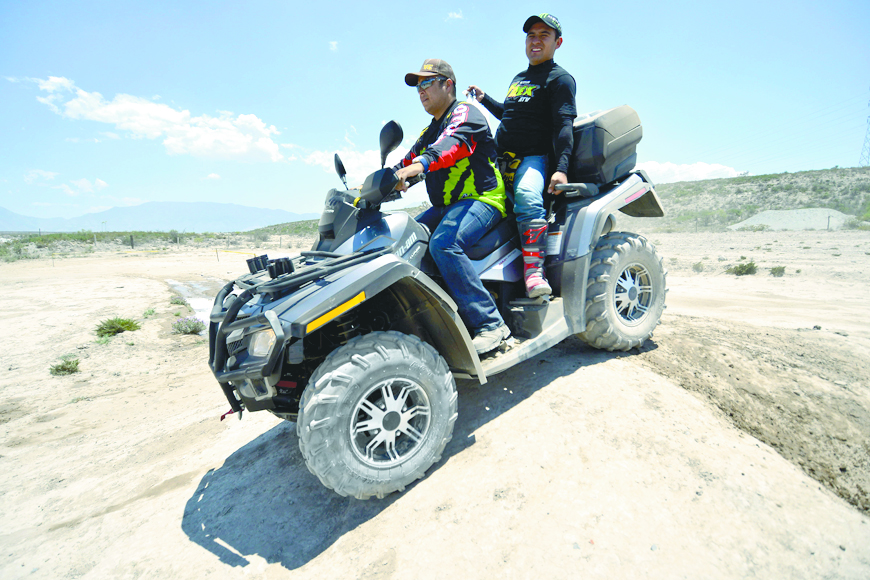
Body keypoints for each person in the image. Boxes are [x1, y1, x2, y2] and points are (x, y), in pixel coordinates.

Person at [393, 58, 511, 355]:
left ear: (448, 84)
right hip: (448, 205)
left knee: (444, 243)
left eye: (426, 83)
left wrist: (417, 167)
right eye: (417, 86)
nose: (420, 91)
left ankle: (491, 324)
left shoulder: (465, 114)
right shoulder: (428, 131)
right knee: (409, 236)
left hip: (483, 198)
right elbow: (408, 161)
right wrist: (374, 185)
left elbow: (449, 146)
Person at [467, 13, 577, 298]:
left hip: (533, 157)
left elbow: (564, 126)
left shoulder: (560, 79)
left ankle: (533, 272)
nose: (536, 41)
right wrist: (485, 99)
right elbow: (511, 116)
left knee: (528, 196)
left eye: (544, 35)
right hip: (501, 158)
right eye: (531, 35)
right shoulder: (520, 78)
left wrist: (561, 168)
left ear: (558, 42)